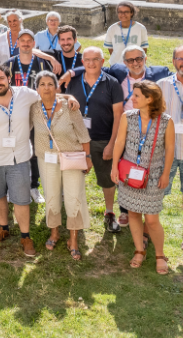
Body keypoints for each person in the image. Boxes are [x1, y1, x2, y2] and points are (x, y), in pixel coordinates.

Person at [0, 64, 80, 257]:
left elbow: (48, 94)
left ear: (9, 78)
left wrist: (69, 97)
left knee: (21, 199)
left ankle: (25, 236)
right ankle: (3, 227)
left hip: (19, 158)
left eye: (1, 78)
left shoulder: (26, 94)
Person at [111, 80, 174, 274]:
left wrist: (165, 174)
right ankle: (139, 250)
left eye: (137, 95)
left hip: (154, 175)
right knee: (133, 214)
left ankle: (160, 255)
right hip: (129, 175)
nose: (132, 98)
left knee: (152, 219)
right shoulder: (128, 117)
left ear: (150, 98)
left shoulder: (166, 121)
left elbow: (170, 149)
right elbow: (120, 142)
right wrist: (114, 167)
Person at [32, 70, 92, 260]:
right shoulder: (33, 107)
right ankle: (54, 232)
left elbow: (83, 134)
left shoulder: (69, 107)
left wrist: (88, 157)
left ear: (57, 86)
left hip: (72, 157)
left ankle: (73, 239)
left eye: (51, 84)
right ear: (37, 88)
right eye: (42, 84)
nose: (47, 88)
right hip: (46, 158)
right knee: (51, 195)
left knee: (74, 197)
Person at [65, 47, 124, 232]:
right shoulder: (73, 81)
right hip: (75, 140)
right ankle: (75, 214)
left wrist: (112, 144)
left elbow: (118, 115)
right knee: (74, 178)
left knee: (107, 180)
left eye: (95, 59)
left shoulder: (112, 83)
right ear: (82, 62)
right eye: (87, 59)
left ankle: (109, 212)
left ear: (102, 61)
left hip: (102, 140)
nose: (91, 63)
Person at [7, 28, 59, 204]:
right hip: (16, 115)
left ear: (33, 44)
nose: (26, 43)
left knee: (35, 151)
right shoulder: (9, 64)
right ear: (18, 43)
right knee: (13, 149)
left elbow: (51, 88)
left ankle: (33, 186)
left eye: (29, 40)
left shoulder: (43, 65)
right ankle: (11, 186)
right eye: (23, 41)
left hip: (38, 114)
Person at [158, 45, 183, 201]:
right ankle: (152, 225)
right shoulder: (161, 85)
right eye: (180, 58)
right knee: (157, 194)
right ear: (174, 61)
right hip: (166, 151)